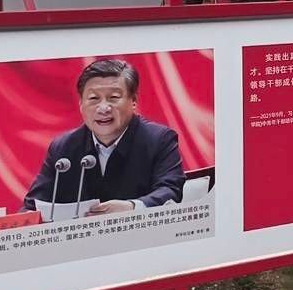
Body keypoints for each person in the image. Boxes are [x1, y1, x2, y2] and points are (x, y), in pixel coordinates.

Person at [21, 59, 186, 216]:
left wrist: (132, 207)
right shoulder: (63, 147)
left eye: (113, 98)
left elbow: (170, 190)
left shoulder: (159, 139)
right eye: (94, 99)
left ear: (133, 101)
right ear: (81, 104)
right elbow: (32, 206)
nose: (103, 108)